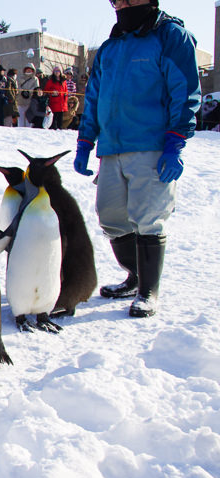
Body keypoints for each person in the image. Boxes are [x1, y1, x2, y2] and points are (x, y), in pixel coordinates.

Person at [73, 0, 200, 318]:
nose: (123, 5)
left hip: (151, 146)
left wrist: (176, 142)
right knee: (111, 218)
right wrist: (86, 141)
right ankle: (134, 277)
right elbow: (94, 97)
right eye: (117, 0)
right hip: (112, 148)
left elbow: (184, 90)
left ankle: (148, 291)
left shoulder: (170, 36)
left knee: (148, 218)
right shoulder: (111, 46)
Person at [17, 63, 39, 127]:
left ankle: (28, 130)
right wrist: (22, 92)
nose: (28, 71)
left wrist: (28, 92)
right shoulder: (21, 78)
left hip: (30, 101)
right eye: (27, 70)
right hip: (21, 100)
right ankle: (20, 129)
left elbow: (36, 88)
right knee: (20, 117)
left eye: (30, 70)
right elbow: (17, 86)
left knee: (28, 117)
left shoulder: (35, 79)